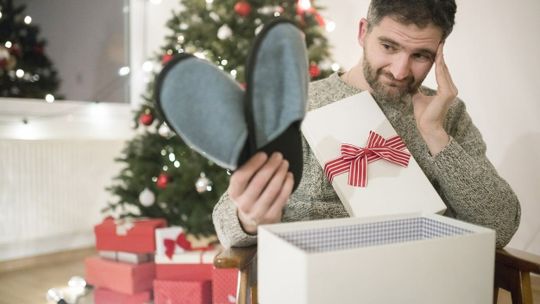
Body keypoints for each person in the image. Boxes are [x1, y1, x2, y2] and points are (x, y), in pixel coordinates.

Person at [212, 0, 521, 249]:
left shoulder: (447, 115)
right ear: (363, 32)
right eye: (389, 46)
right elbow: (227, 224)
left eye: (421, 55)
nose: (400, 71)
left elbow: (501, 225)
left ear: (440, 52)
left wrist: (435, 135)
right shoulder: (298, 106)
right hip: (317, 281)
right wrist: (249, 218)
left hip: (419, 281)